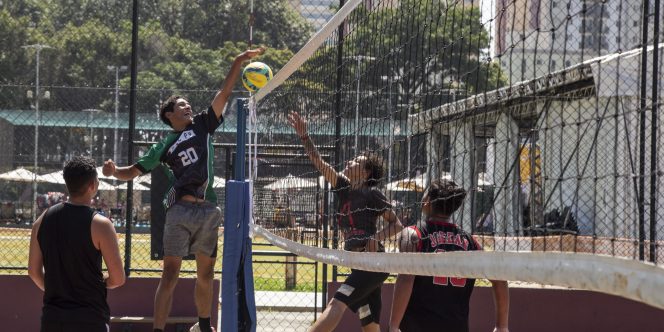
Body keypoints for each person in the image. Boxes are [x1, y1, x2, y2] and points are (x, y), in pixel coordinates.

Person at [102, 47, 266, 332]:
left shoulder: (203, 125)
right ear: (169, 115)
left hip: (208, 211)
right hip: (179, 211)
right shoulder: (164, 145)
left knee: (205, 274)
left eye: (189, 104)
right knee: (170, 274)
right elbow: (134, 171)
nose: (188, 107)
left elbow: (223, 95)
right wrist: (115, 172)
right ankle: (158, 329)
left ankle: (203, 326)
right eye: (181, 105)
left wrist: (239, 63)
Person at [287, 111, 403, 332]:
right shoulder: (343, 188)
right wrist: (304, 136)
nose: (349, 161)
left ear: (366, 172)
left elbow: (397, 225)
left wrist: (375, 238)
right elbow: (318, 162)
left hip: (373, 263)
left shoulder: (372, 194)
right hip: (359, 263)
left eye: (356, 161)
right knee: (369, 322)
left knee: (336, 303)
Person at [389, 179, 510, 332]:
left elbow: (406, 278)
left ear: (427, 201)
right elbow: (499, 276)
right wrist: (502, 326)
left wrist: (393, 326)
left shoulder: (413, 234)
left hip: (417, 326)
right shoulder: (469, 241)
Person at [28, 156, 125, 332]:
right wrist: (100, 283)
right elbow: (118, 278)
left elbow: (33, 272)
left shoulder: (42, 220)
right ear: (92, 185)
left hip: (53, 318)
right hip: (90, 317)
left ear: (67, 184)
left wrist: (57, 289)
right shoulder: (101, 224)